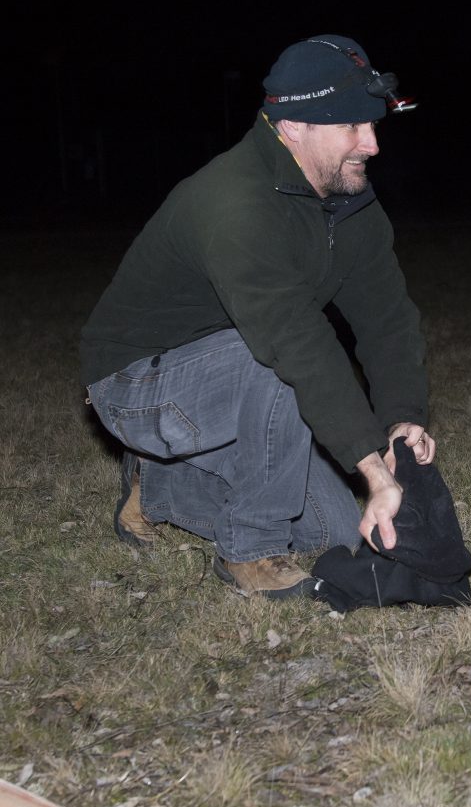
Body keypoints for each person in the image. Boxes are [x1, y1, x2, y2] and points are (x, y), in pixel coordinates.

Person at [80, 34, 434, 599]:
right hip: (135, 383)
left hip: (237, 375)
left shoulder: (349, 200)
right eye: (352, 127)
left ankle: (158, 486)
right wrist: (373, 470)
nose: (371, 144)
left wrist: (399, 421)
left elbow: (386, 317)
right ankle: (251, 550)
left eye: (374, 124)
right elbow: (294, 340)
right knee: (279, 358)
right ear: (293, 127)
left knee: (335, 529)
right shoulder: (236, 203)